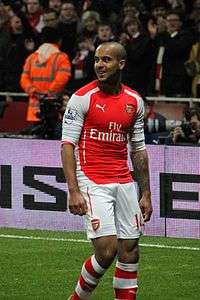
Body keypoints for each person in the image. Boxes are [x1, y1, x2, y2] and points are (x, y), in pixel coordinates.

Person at [61, 41, 153, 299]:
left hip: (123, 180)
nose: (99, 65)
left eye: (106, 60)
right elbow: (67, 145)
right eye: (97, 60)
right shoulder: (82, 98)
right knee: (106, 249)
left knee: (130, 250)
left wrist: (145, 193)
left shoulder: (134, 101)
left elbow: (138, 149)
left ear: (121, 64)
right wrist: (73, 191)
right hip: (91, 179)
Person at [20, 26, 71, 136]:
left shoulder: (32, 57)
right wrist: (48, 94)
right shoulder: (61, 57)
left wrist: (35, 92)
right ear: (59, 41)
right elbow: (63, 78)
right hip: (53, 110)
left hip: (34, 110)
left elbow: (24, 79)